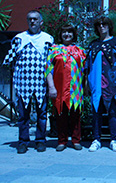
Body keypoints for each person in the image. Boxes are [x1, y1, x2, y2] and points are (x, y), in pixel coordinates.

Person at [3, 10, 54, 154]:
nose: (32, 22)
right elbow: (9, 59)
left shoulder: (48, 39)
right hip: (23, 83)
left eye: (35, 19)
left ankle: (40, 141)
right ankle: (23, 141)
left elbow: (50, 62)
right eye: (30, 19)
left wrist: (51, 85)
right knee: (23, 115)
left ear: (41, 22)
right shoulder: (19, 38)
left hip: (41, 83)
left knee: (42, 114)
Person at [86, 16, 116, 152]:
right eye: (99, 24)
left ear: (109, 26)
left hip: (113, 83)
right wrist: (87, 83)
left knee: (113, 113)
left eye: (104, 24)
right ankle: (96, 139)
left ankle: (113, 140)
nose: (101, 26)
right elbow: (87, 66)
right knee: (96, 113)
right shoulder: (92, 45)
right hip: (96, 83)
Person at [45, 24, 86, 152]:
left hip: (76, 88)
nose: (67, 35)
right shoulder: (53, 50)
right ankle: (62, 141)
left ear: (74, 34)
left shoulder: (80, 50)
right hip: (59, 88)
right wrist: (51, 87)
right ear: (60, 35)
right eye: (64, 32)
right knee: (60, 115)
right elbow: (48, 70)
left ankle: (76, 140)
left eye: (69, 32)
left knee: (75, 115)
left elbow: (85, 70)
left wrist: (86, 87)